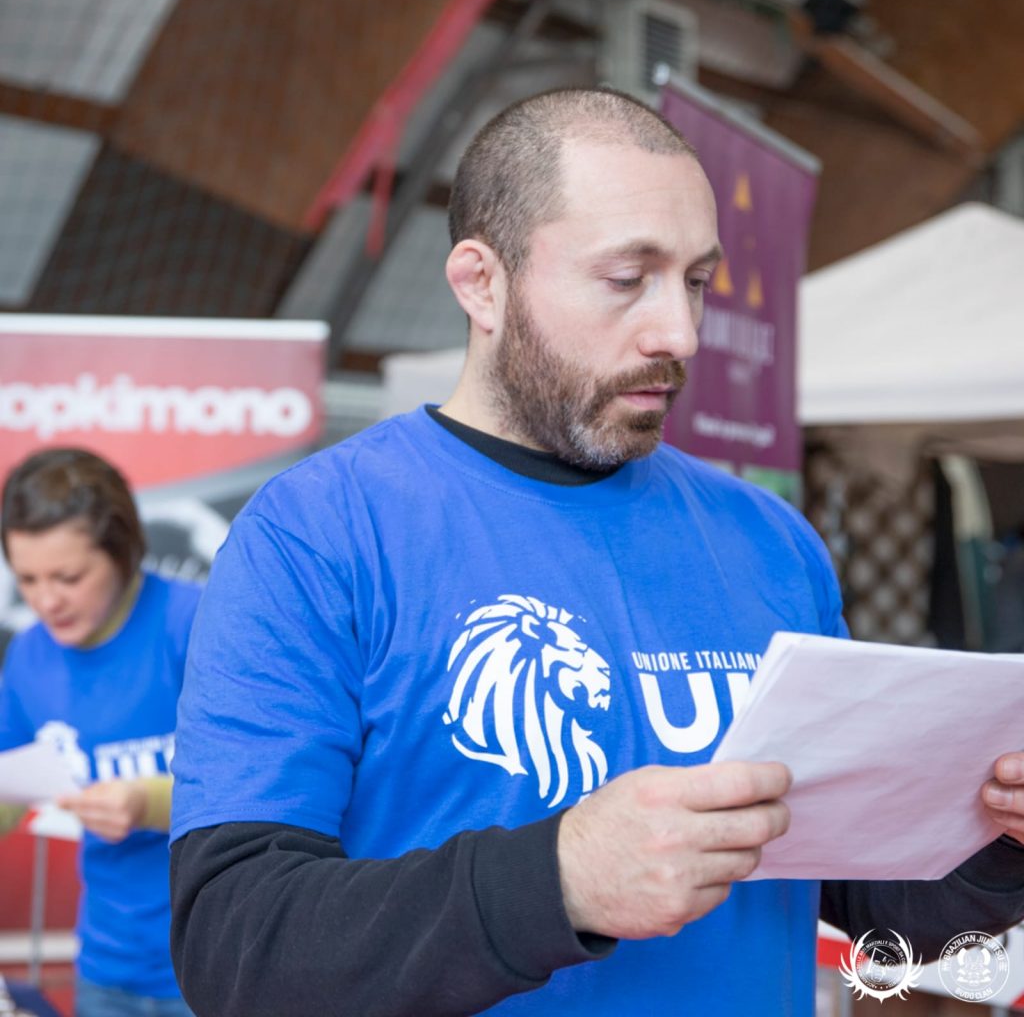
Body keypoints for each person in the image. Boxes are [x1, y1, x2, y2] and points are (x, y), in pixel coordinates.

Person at [168, 88, 1024, 1017]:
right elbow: (235, 949)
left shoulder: (770, 541)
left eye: (697, 281)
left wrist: (996, 842)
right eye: (628, 279)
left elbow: (870, 895)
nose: (679, 334)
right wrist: (560, 880)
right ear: (480, 282)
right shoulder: (320, 531)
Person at [0, 448, 200, 1017]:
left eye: (68, 577)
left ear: (121, 552)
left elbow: (268, 783)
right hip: (108, 962)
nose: (46, 601)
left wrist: (147, 801)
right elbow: (9, 794)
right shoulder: (29, 656)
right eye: (27, 580)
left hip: (209, 957)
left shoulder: (196, 624)